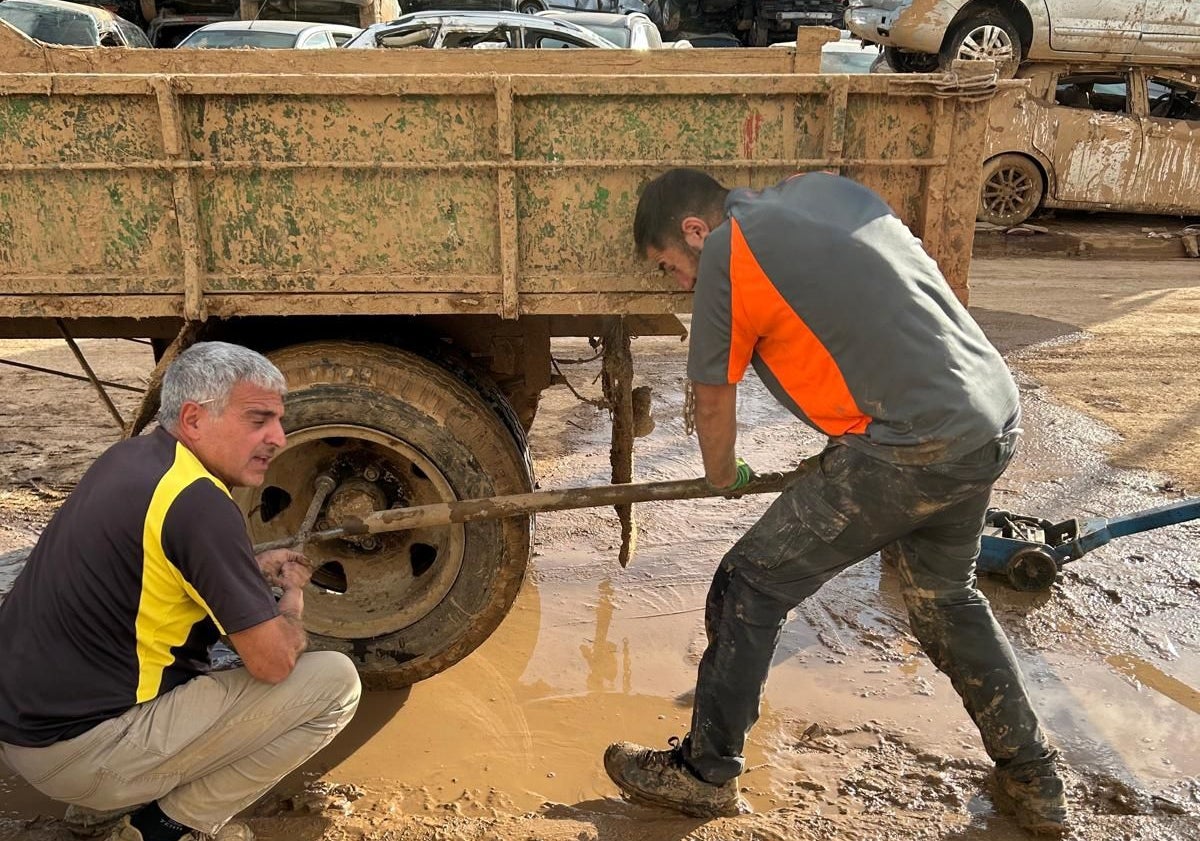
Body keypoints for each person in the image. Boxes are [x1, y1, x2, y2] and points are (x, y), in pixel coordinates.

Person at [603, 169, 1068, 836]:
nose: (680, 284)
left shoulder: (729, 254)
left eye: (670, 267)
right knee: (945, 601)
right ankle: (1035, 776)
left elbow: (712, 397)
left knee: (747, 583)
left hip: (911, 445)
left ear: (694, 231)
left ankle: (704, 775)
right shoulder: (825, 191)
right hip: (988, 418)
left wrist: (722, 471)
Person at [0, 341, 362, 841]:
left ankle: (103, 805)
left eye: (278, 420)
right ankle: (163, 827)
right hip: (81, 753)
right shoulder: (200, 505)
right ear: (194, 418)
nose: (278, 438)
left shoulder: (131, 460)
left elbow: (152, 572)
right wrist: (292, 601)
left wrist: (247, 569)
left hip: (27, 733)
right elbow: (273, 662)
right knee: (334, 684)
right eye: (258, 419)